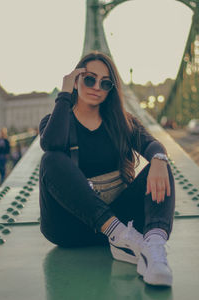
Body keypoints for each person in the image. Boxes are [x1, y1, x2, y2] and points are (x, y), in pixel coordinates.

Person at [39, 51, 175, 287]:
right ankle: (120, 236)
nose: (96, 86)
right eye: (89, 79)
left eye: (105, 82)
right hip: (70, 228)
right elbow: (51, 144)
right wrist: (64, 93)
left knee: (160, 162)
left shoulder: (122, 121)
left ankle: (152, 249)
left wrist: (159, 159)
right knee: (51, 160)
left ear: (111, 89)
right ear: (77, 80)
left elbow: (151, 144)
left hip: (122, 225)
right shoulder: (57, 121)